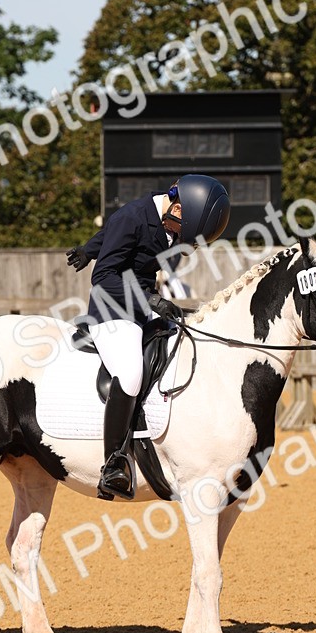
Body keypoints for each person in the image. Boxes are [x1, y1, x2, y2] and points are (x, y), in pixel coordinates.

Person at [66, 174, 230, 499]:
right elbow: (104, 277)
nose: (183, 242)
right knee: (130, 372)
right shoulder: (133, 215)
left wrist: (91, 247)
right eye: (185, 234)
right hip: (111, 309)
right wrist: (152, 300)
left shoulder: (163, 218)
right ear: (178, 209)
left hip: (140, 306)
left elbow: (118, 236)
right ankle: (113, 463)